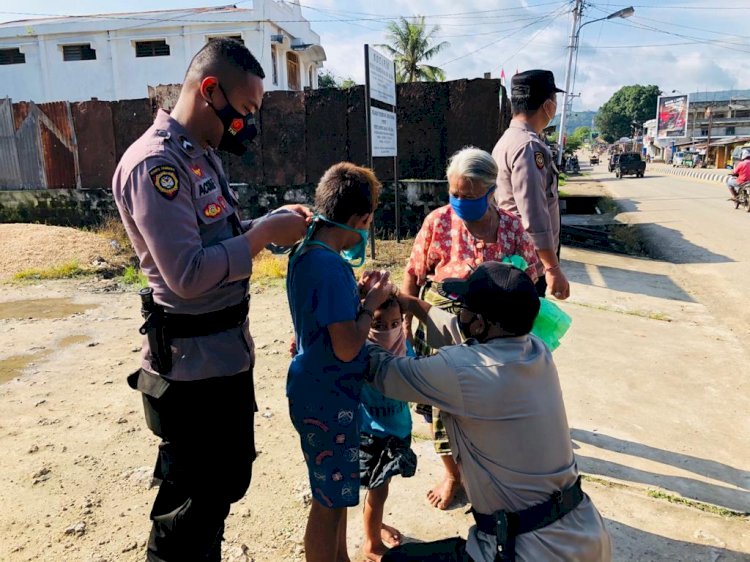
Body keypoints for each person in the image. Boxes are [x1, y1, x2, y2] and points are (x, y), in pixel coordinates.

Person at [112, 39, 310, 562]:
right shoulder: (156, 166)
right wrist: (263, 234)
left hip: (224, 356)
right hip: (190, 370)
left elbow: (215, 237)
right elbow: (187, 273)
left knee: (222, 487)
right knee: (187, 510)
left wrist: (261, 226)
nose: (248, 124)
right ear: (209, 91)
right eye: (244, 111)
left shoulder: (201, 154)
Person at [368, 262, 612, 562]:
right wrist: (414, 305)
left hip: (528, 552)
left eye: (463, 308)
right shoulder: (535, 350)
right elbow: (463, 335)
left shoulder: (461, 372)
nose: (459, 313)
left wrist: (360, 316)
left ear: (481, 324)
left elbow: (382, 371)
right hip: (585, 536)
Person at [402, 146, 538, 511]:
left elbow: (530, 281)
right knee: (441, 409)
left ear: (491, 191)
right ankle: (451, 473)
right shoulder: (438, 222)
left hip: (493, 336)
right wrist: (405, 321)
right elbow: (414, 275)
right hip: (441, 328)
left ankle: (487, 470)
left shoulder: (511, 229)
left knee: (487, 410)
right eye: (455, 193)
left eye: (469, 195)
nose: (459, 201)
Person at [286, 162, 395, 562]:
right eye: (367, 223)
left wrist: (358, 295)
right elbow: (347, 346)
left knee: (335, 491)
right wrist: (370, 304)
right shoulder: (330, 266)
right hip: (328, 395)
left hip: (317, 387)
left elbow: (319, 317)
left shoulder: (306, 251)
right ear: (360, 219)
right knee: (327, 501)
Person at [492, 69, 570, 300]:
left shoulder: (508, 139)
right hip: (528, 262)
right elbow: (534, 215)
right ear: (548, 105)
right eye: (555, 100)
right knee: (526, 332)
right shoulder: (528, 146)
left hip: (515, 256)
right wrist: (552, 268)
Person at [359, 295, 418, 561]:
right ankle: (371, 543)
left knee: (380, 489)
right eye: (379, 325)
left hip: (399, 430)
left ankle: (375, 525)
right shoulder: (359, 352)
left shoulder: (405, 347)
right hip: (371, 435)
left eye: (395, 323)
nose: (388, 330)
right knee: (378, 489)